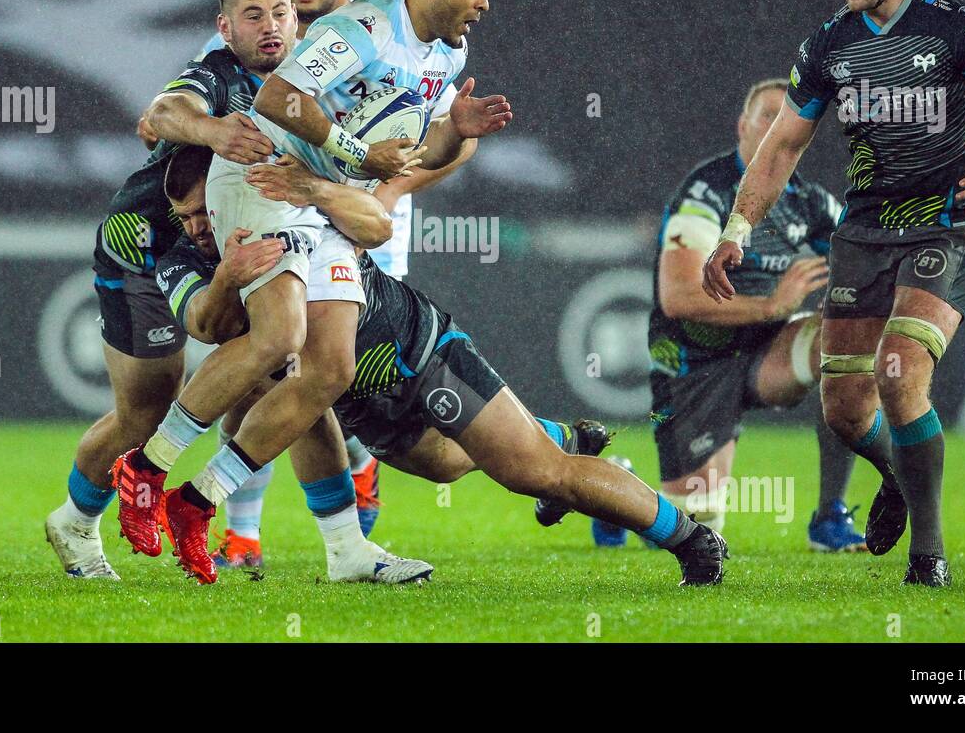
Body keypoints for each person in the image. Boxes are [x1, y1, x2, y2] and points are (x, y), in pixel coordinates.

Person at [111, 0, 511, 584]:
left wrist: (452, 136)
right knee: (279, 337)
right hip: (268, 178)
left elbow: (419, 150)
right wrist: (356, 154)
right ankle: (147, 469)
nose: (485, 2)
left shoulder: (445, 54)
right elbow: (275, 98)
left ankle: (198, 500)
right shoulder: (362, 30)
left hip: (326, 201)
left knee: (329, 369)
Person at [153, 157, 729, 586]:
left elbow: (376, 219)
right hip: (359, 398)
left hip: (421, 355)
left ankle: (693, 539)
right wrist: (227, 276)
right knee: (448, 465)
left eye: (209, 210)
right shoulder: (189, 257)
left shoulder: (288, 219)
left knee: (537, 473)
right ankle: (560, 435)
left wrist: (201, 489)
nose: (202, 226)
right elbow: (208, 327)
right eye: (189, 218)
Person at [702, 0, 965, 586]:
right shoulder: (830, 43)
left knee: (898, 372)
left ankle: (930, 555)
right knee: (844, 406)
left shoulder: (958, 30)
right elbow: (780, 150)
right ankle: (899, 471)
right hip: (863, 232)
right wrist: (736, 228)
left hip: (945, 223)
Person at [44, 0, 296, 580]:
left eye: (280, 13)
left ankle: (234, 529)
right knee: (144, 415)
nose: (270, 26)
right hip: (147, 249)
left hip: (233, 246)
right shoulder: (219, 75)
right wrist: (212, 132)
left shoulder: (313, 76)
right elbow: (164, 109)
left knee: (275, 373)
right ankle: (74, 520)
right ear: (225, 28)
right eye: (253, 15)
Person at [596, 79, 866, 552]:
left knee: (843, 340)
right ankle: (611, 487)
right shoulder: (706, 192)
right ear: (742, 126)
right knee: (695, 529)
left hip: (763, 356)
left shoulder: (810, 201)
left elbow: (865, 261)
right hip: (694, 363)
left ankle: (830, 518)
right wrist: (773, 305)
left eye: (788, 119)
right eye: (767, 115)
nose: (776, 126)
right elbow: (678, 297)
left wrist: (852, 296)